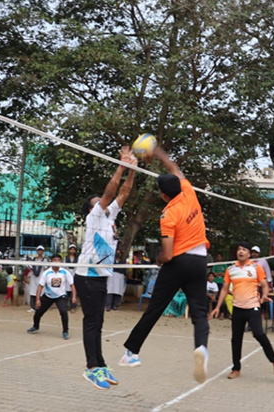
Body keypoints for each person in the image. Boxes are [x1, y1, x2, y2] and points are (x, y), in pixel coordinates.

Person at [120, 146, 211, 385]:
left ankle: (132, 353)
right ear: (179, 186)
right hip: (200, 260)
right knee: (199, 313)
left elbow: (168, 255)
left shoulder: (168, 213)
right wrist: (157, 152)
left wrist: (158, 260)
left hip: (178, 263)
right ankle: (201, 347)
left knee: (155, 308)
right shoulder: (189, 191)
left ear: (162, 195)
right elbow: (173, 168)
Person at [75, 147, 137, 390]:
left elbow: (124, 192)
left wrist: (132, 170)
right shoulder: (94, 217)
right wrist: (121, 166)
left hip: (100, 276)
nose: (101, 204)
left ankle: (100, 364)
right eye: (97, 203)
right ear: (91, 209)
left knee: (98, 323)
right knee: (92, 322)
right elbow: (111, 191)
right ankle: (91, 368)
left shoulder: (110, 217)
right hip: (87, 276)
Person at [210, 242, 274, 380]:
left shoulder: (256, 268)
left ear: (249, 254)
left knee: (259, 333)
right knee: (235, 339)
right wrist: (217, 307)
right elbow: (225, 289)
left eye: (244, 250)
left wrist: (265, 295)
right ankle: (236, 368)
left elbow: (265, 285)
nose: (240, 252)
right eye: (239, 249)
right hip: (237, 307)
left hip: (253, 306)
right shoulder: (231, 269)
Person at [28, 254, 76, 339]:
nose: (56, 262)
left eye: (58, 260)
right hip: (48, 296)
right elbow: (40, 286)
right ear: (51, 261)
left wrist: (74, 297)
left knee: (63, 312)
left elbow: (72, 285)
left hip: (61, 296)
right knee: (38, 312)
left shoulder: (65, 272)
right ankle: (35, 326)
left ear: (61, 262)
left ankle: (65, 331)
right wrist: (38, 299)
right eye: (55, 260)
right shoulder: (46, 273)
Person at [25, 246, 47, 313]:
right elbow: (30, 267)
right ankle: (32, 307)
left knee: (41, 292)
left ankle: (40, 306)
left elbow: (46, 268)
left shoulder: (45, 260)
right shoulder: (34, 259)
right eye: (38, 250)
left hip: (41, 277)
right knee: (32, 292)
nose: (40, 251)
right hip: (34, 278)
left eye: (41, 250)